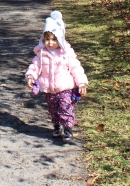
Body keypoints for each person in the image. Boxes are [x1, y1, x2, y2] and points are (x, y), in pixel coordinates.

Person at [26, 11, 88, 141]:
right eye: (47, 39)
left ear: (60, 39)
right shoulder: (42, 54)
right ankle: (57, 126)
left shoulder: (66, 53)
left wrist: (81, 82)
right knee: (53, 110)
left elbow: (76, 67)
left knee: (65, 107)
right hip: (49, 89)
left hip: (64, 87)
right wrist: (31, 76)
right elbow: (35, 66)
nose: (50, 42)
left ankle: (68, 129)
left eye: (54, 39)